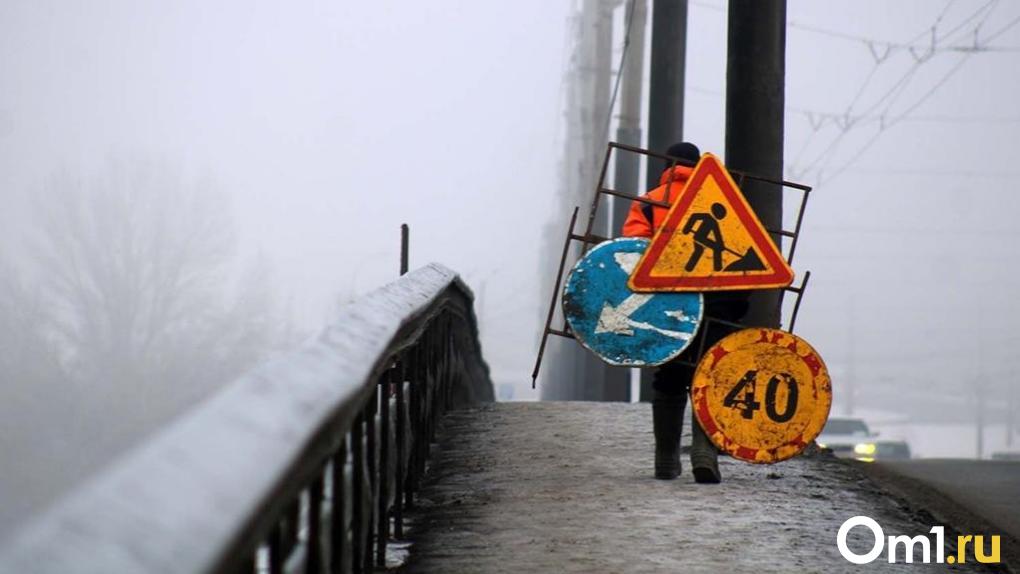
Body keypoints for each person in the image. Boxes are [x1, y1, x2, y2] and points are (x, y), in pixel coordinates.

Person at [622, 142, 749, 483]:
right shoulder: (721, 200)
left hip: (669, 303)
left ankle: (665, 458)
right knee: (710, 373)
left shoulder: (649, 201)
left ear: (667, 165)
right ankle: (704, 453)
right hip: (717, 300)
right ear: (699, 165)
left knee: (670, 375)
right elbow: (744, 252)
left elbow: (634, 253)